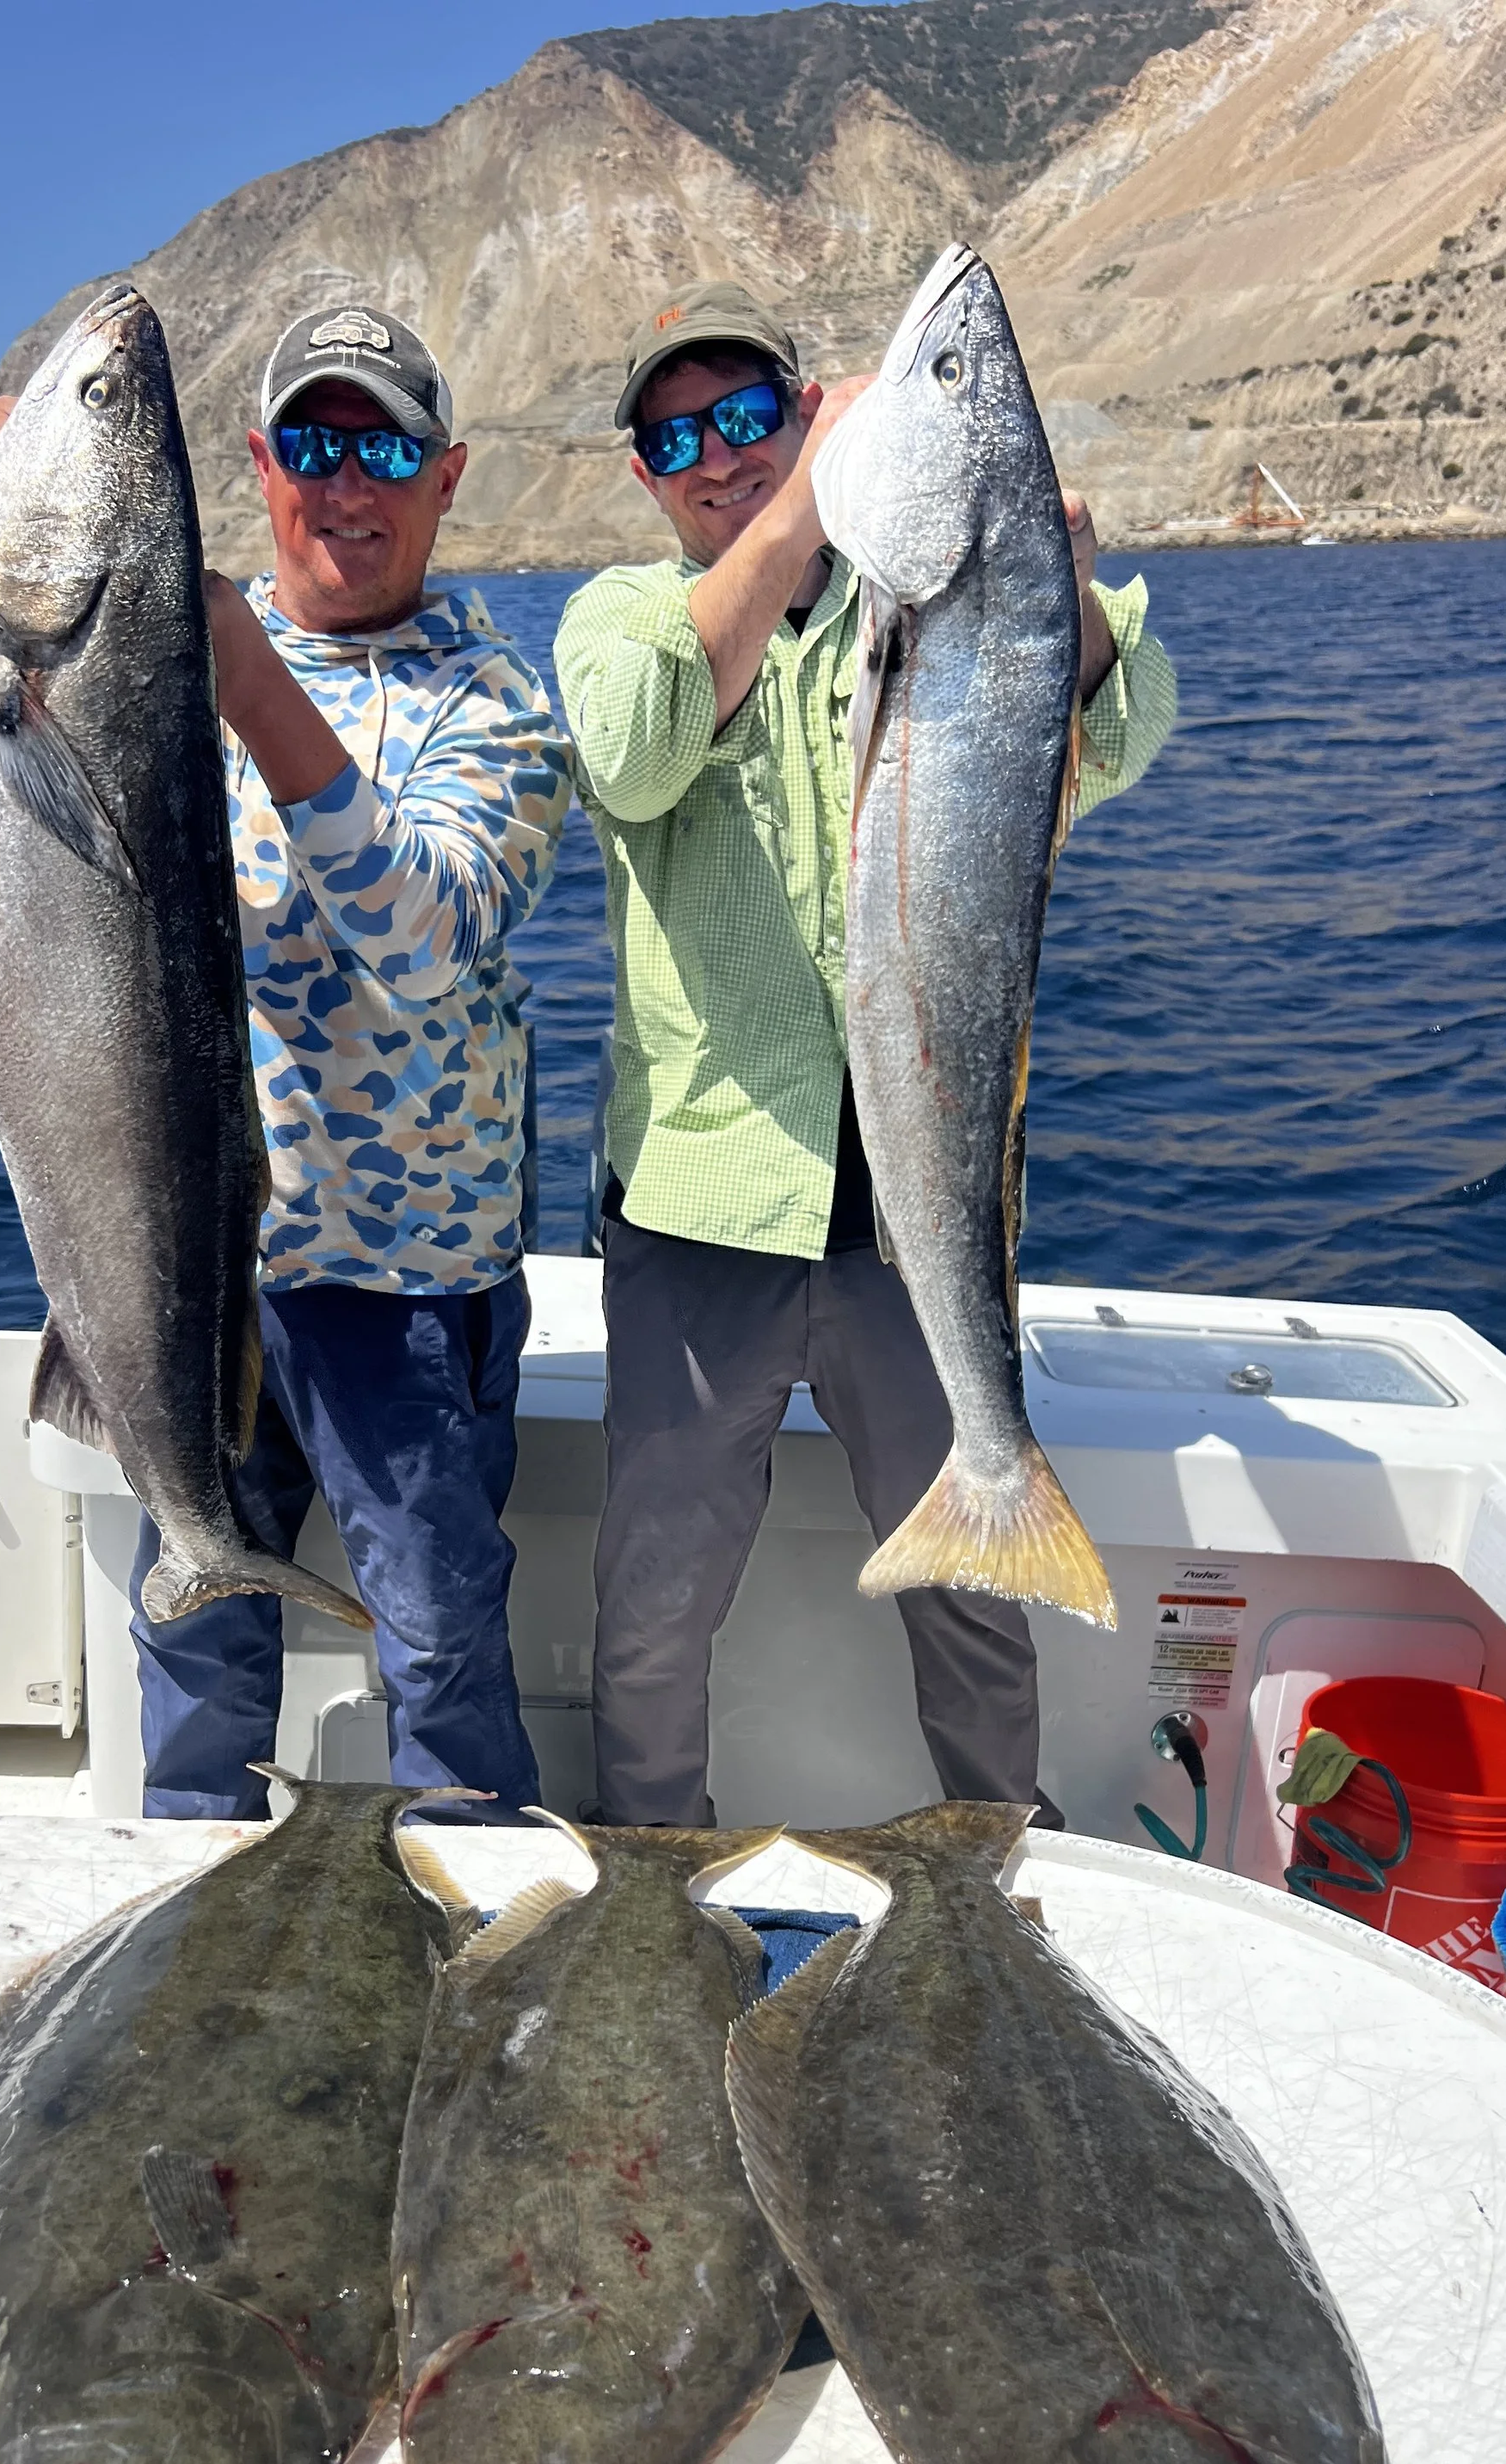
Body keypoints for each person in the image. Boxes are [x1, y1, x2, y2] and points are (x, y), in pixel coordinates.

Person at [0, 305, 572, 1819]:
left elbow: (423, 936)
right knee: (196, 1650)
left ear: (446, 475)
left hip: (408, 1269)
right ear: (263, 467)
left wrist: (249, 681)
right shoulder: (133, 642)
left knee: (441, 1636)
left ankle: (468, 1918)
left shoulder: (496, 702)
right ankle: (187, 1901)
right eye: (319, 447)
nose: (349, 487)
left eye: (386, 450)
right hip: (187, 1253)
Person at [554, 278, 1177, 1829]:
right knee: (655, 1603)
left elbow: (1122, 736)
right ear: (641, 471)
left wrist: (1056, 595)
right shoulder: (622, 621)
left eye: (753, 416)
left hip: (927, 1220)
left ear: (809, 414)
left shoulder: (908, 617)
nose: (717, 453)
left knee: (974, 1599)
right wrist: (812, 504)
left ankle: (997, 1876)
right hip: (702, 1215)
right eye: (674, 434)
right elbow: (632, 753)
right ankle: (647, 1884)